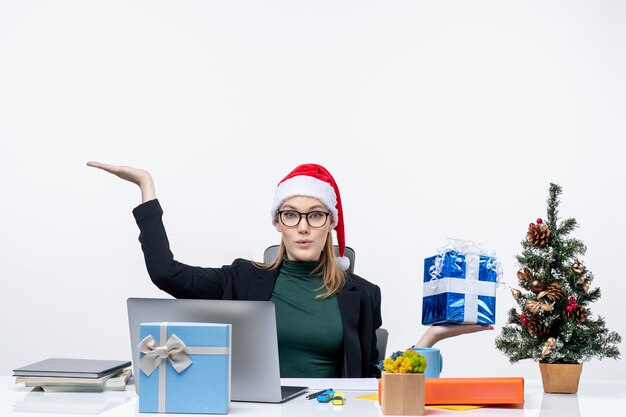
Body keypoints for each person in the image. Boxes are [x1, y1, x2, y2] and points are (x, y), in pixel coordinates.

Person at [87, 161, 492, 378]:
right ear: (277, 222)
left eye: (315, 215)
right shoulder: (242, 278)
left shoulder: (363, 293)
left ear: (331, 224)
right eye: (291, 215)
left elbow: (375, 380)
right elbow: (167, 274)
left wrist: (431, 338)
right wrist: (146, 189)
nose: (303, 226)